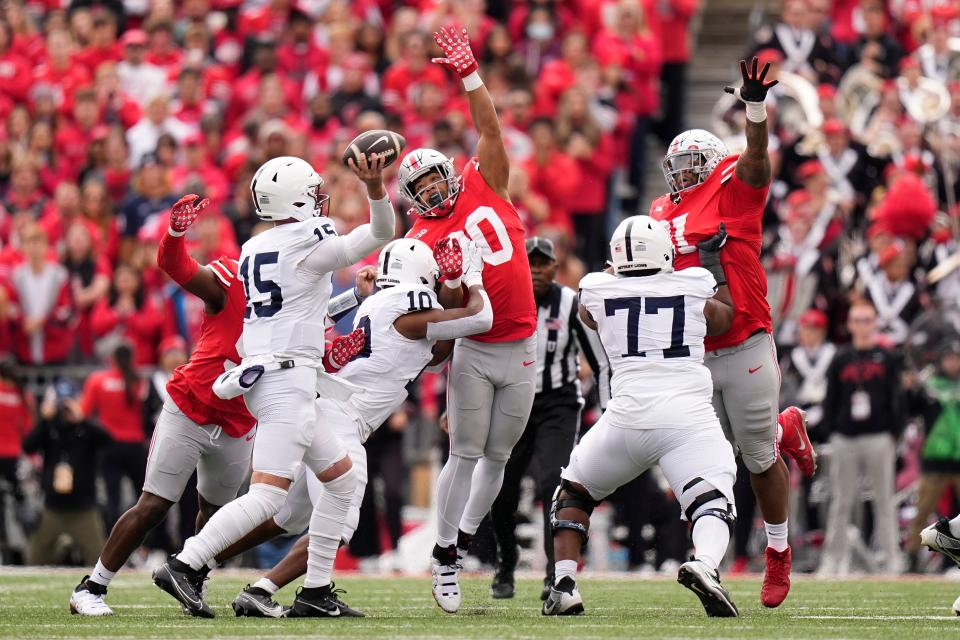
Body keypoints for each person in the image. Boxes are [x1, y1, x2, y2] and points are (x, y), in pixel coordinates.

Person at [152, 152, 394, 618]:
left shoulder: (255, 246)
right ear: (299, 200)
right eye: (314, 193)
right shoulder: (307, 239)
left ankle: (316, 591)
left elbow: (302, 305)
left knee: (341, 483)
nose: (321, 200)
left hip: (274, 374)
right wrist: (376, 188)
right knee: (268, 495)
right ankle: (186, 564)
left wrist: (351, 297)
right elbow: (381, 233)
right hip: (286, 380)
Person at [228, 237, 493, 617]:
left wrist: (451, 287)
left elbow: (435, 358)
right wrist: (472, 277)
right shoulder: (408, 302)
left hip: (327, 409)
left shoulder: (380, 304)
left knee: (287, 516)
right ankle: (266, 587)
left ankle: (197, 561)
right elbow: (481, 318)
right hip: (343, 420)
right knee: (339, 520)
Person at [649, 56, 815, 608]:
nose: (684, 174)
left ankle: (778, 549)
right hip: (692, 352)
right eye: (679, 166)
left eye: (694, 163)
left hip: (743, 339)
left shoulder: (733, 185)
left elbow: (759, 161)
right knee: (704, 460)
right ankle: (708, 559)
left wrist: (754, 108)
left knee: (757, 460)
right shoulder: (659, 210)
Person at [397, 26, 537, 614]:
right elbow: (428, 309)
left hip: (525, 339)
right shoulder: (418, 236)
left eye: (435, 178)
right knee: (466, 454)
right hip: (476, 348)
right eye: (420, 186)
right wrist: (452, 282)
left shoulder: (485, 178)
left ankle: (461, 539)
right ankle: (447, 554)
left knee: (501, 457)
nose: (432, 190)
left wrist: (470, 74)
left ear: (450, 174)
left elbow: (489, 127)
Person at [542, 216, 738, 617]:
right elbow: (725, 317)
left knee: (573, 493)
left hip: (626, 417)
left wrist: (620, 276)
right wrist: (713, 265)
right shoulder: (695, 282)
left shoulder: (596, 289)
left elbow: (589, 316)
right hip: (686, 416)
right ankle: (706, 565)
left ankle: (564, 584)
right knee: (712, 499)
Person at [489, 237, 609, 600]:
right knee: (501, 488)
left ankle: (554, 572)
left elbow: (600, 360)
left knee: (552, 485)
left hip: (558, 403)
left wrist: (608, 411)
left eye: (544, 264)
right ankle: (506, 561)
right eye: (531, 264)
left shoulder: (571, 303)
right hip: (512, 401)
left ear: (556, 268)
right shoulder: (503, 298)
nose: (537, 271)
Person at [818, 301, 903, 576]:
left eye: (867, 319)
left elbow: (896, 396)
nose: (863, 325)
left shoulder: (887, 357)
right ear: (850, 324)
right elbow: (830, 398)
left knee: (883, 500)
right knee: (841, 501)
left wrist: (894, 432)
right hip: (846, 437)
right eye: (858, 320)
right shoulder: (841, 358)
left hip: (879, 436)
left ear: (875, 323)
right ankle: (833, 559)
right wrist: (832, 431)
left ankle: (891, 559)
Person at [25, 379, 112, 566]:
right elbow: (28, 446)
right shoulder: (49, 428)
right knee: (34, 558)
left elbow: (107, 440)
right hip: (53, 508)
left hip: (84, 509)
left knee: (100, 561)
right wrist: (44, 420)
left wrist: (83, 420)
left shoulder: (85, 429)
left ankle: (66, 546)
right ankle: (63, 547)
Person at [79, 342, 147, 530]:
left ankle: (111, 546)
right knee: (145, 500)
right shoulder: (139, 381)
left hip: (109, 445)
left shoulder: (98, 380)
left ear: (111, 359)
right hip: (136, 447)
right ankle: (146, 545)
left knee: (112, 500)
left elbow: (83, 412)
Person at [906, 339, 960, 569]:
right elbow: (911, 409)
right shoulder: (929, 386)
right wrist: (911, 389)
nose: (953, 363)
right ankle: (912, 557)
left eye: (956, 359)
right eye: (949, 358)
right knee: (923, 511)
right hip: (935, 459)